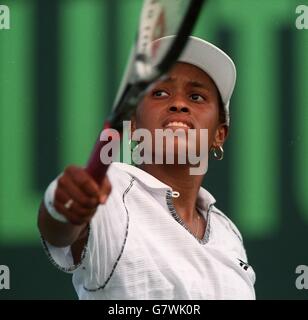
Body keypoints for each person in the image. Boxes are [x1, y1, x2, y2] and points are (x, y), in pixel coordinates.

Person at [38, 36, 256, 300]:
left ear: (219, 134)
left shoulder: (228, 234)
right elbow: (61, 229)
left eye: (196, 96)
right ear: (135, 122)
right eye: (160, 93)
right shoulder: (113, 191)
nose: (179, 104)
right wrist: (62, 204)